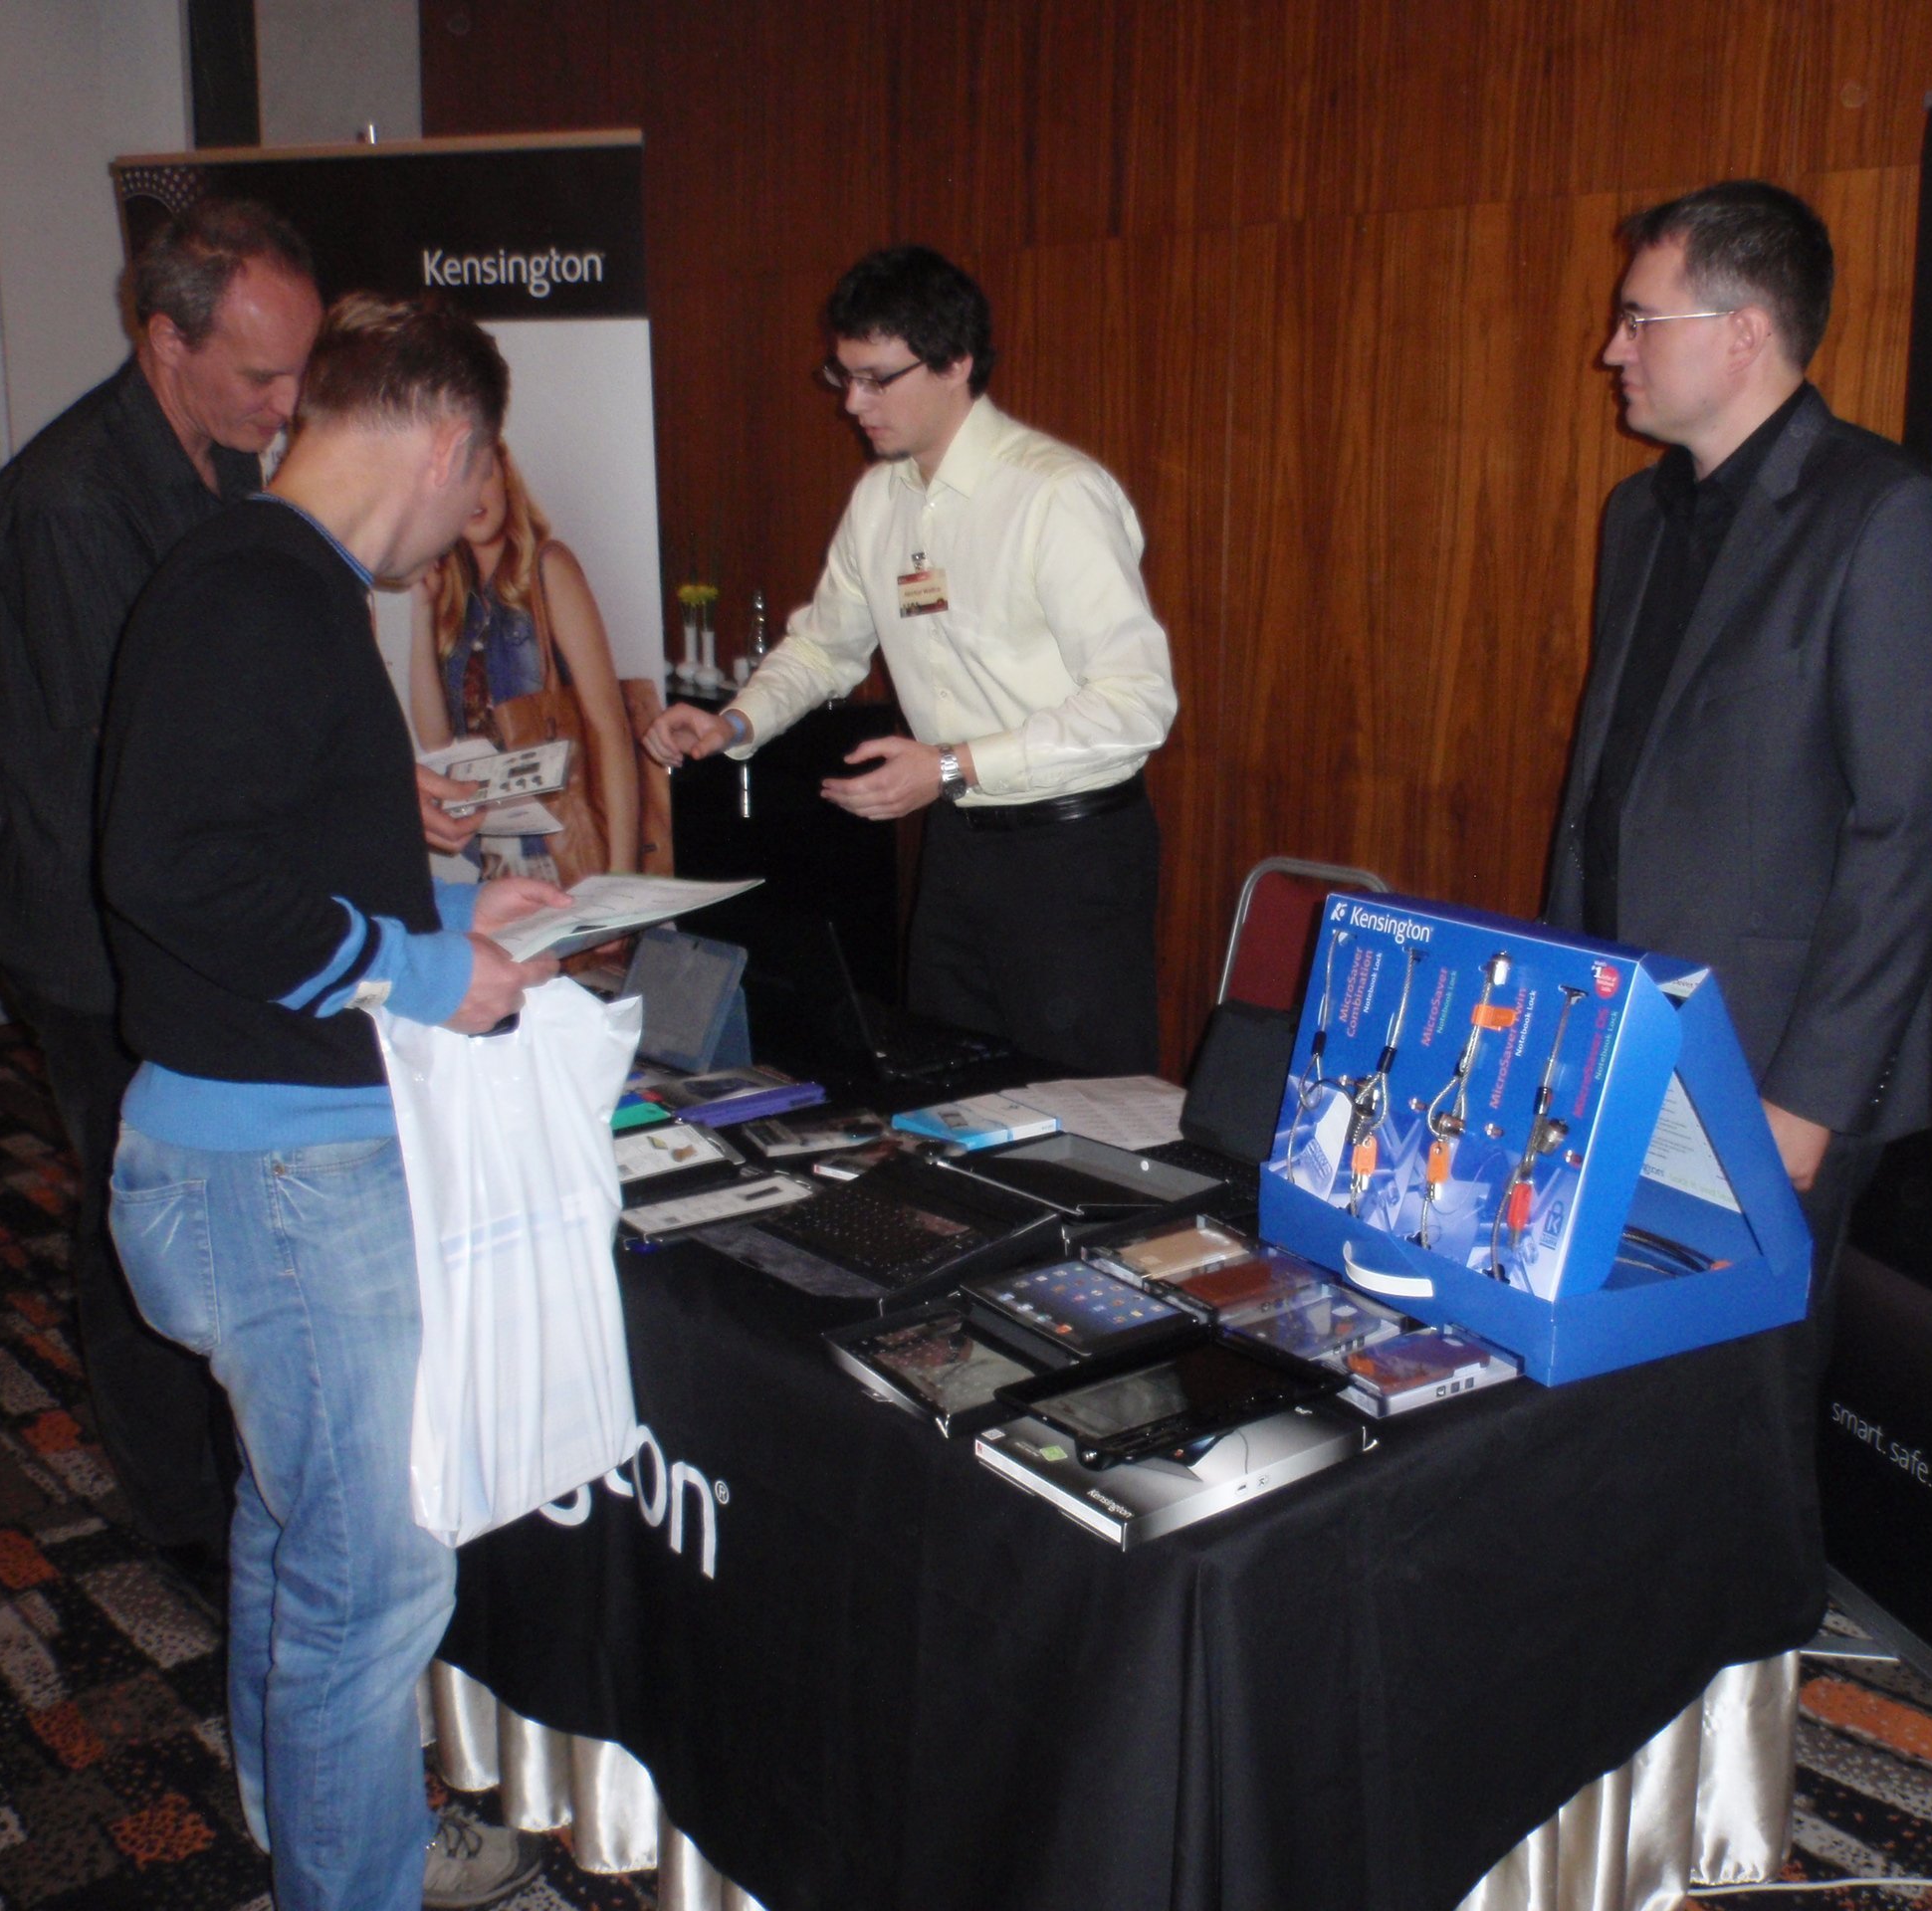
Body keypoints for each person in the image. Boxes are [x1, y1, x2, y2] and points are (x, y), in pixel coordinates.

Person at [98, 292, 556, 1911]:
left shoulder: (269, 579)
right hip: (280, 1184)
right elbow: (170, 873)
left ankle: (303, 1832)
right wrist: (424, 975)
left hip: (254, 1163)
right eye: (478, 479)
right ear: (451, 441)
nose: (467, 517)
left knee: (300, 1544)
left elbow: (270, 853)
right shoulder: (262, 593)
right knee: (371, 1593)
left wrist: (457, 917)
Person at [1542, 179, 1932, 1316]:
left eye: (1639, 319)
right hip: (1619, 1038)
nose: (1611, 350)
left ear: (1742, 334)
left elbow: (1913, 833)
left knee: (1742, 1398)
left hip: (1766, 1070)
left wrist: (1808, 1102)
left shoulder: (1888, 516)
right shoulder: (1637, 516)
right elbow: (1612, 786)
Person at [0, 198, 331, 1574]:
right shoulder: (71, 499)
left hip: (171, 903)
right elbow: (131, 758)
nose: (289, 408)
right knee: (142, 1222)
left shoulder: (222, 462)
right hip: (93, 936)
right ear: (165, 342)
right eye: (262, 376)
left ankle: (227, 1472)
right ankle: (180, 1520)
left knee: (197, 1204)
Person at [645, 245, 1179, 1074]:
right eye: (843, 375)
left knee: (1085, 1112)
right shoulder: (879, 499)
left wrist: (953, 764)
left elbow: (1137, 704)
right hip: (958, 845)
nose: (853, 402)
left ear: (956, 362)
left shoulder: (1054, 495)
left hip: (1072, 857)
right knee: (949, 1095)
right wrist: (736, 723)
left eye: (877, 379)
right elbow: (824, 645)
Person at [407, 442, 640, 882]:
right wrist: (423, 609)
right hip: (496, 860)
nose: (474, 495)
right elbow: (436, 740)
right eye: (458, 481)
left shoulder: (549, 569)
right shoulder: (460, 603)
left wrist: (622, 878)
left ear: (506, 477)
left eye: (483, 473)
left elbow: (610, 726)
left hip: (565, 854)